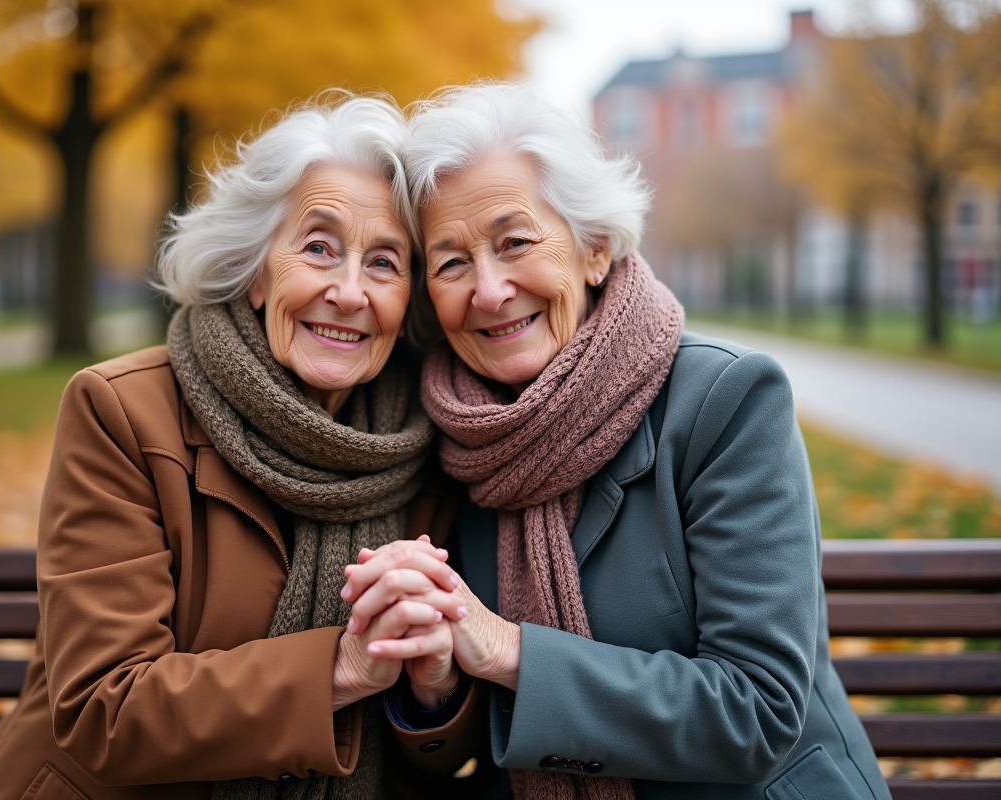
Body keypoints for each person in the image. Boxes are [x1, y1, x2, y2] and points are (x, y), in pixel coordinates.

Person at [343, 83, 892, 799]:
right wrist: (438, 683)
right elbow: (468, 747)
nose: (488, 289)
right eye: (451, 263)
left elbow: (761, 711)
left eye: (514, 242)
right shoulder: (453, 438)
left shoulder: (724, 403)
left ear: (593, 248)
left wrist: (510, 652)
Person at [0, 94, 464, 800]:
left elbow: (440, 756)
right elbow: (105, 711)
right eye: (318, 247)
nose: (349, 292)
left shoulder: (427, 447)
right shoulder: (123, 413)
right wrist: (343, 667)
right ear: (256, 269)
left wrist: (434, 683)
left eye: (384, 263)